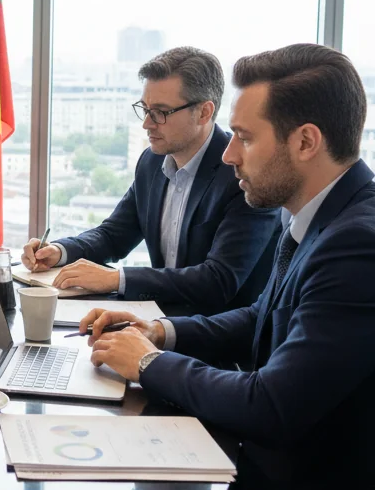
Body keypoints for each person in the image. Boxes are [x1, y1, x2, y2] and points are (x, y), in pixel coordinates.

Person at [79, 43, 375, 490]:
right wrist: (160, 331)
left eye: (243, 136)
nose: (230, 152)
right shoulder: (320, 218)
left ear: (305, 141)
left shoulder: (357, 244)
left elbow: (272, 404)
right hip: (286, 481)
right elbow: (258, 322)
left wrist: (150, 367)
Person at [22, 46, 279, 314]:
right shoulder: (152, 162)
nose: (147, 123)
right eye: (144, 109)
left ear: (204, 112)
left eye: (160, 112)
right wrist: (59, 251)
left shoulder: (243, 174)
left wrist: (116, 279)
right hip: (156, 323)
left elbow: (217, 280)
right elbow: (113, 236)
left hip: (219, 341)